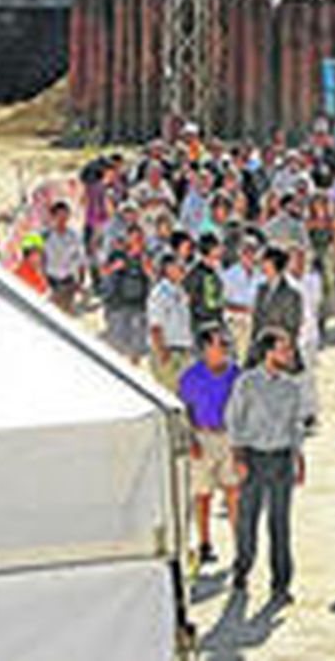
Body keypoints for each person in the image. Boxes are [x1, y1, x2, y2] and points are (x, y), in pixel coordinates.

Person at [227, 328, 307, 607]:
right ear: (268, 352)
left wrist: (299, 457)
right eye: (284, 349)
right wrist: (237, 457)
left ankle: (281, 584)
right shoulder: (247, 382)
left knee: (280, 524)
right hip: (254, 457)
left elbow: (296, 424)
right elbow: (234, 419)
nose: (289, 354)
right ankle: (242, 570)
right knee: (248, 520)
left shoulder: (292, 386)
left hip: (282, 458)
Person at [180, 329, 242, 567]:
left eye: (226, 343)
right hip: (202, 436)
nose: (224, 348)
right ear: (205, 348)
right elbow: (184, 410)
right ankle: (205, 543)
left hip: (229, 436)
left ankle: (240, 544)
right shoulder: (191, 376)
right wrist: (191, 440)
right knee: (203, 495)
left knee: (233, 492)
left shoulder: (237, 374)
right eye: (220, 344)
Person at [101, 225, 153, 362]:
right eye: (134, 238)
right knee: (118, 345)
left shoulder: (146, 256)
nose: (136, 241)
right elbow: (104, 271)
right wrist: (117, 265)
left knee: (136, 346)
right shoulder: (118, 254)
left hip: (139, 305)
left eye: (139, 238)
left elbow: (154, 277)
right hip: (119, 303)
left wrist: (147, 267)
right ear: (128, 238)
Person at [147, 252, 195, 390]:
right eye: (178, 265)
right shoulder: (160, 293)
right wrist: (162, 352)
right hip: (168, 350)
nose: (183, 268)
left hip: (182, 351)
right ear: (167, 268)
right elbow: (155, 326)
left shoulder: (180, 291)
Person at [252, 247, 303, 363]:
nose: (262, 265)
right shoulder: (261, 290)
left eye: (265, 261)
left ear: (274, 263)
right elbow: (256, 321)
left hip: (281, 353)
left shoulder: (292, 294)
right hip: (260, 351)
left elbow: (292, 328)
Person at [42, 200, 86, 314]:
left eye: (65, 216)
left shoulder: (74, 236)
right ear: (53, 216)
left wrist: (81, 281)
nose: (62, 219)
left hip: (68, 280)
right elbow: (39, 258)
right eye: (59, 215)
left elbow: (81, 259)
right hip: (50, 280)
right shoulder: (45, 235)